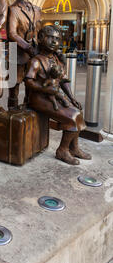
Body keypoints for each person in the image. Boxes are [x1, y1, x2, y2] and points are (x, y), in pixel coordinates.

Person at [25, 25, 91, 166]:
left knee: (77, 110)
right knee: (72, 116)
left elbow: (63, 80)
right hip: (39, 98)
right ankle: (62, 150)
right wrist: (46, 90)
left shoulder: (56, 58)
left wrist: (72, 98)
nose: (55, 41)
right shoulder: (36, 61)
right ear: (41, 39)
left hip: (53, 95)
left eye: (57, 39)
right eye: (50, 38)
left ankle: (73, 148)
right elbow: (28, 81)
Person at [6, 0, 41, 109]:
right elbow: (12, 34)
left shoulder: (37, 10)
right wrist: (28, 47)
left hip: (34, 56)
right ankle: (11, 115)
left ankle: (28, 112)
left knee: (31, 87)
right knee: (13, 90)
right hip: (17, 55)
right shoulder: (13, 10)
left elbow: (39, 32)